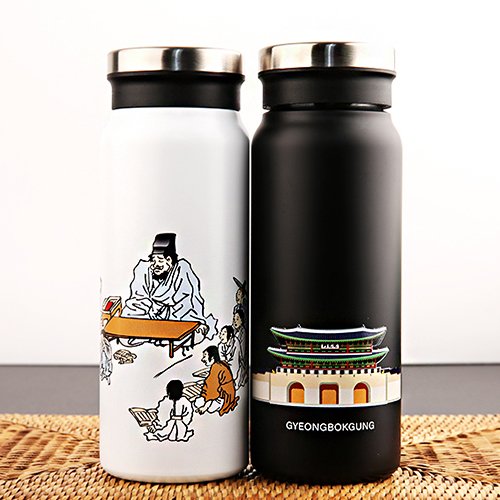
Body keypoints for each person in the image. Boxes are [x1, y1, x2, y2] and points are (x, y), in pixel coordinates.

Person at [122, 233, 217, 340]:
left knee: (191, 336)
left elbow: (186, 304)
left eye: (160, 260)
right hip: (149, 319)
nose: (155, 265)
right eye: (153, 260)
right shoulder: (144, 270)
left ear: (169, 260)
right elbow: (138, 300)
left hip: (175, 320)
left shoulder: (181, 271)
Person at [195, 346, 238, 416]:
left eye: (205, 356)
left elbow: (212, 389)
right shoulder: (220, 364)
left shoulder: (216, 368)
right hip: (227, 394)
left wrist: (205, 407)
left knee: (198, 403)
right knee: (199, 401)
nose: (203, 359)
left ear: (212, 358)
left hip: (224, 398)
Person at [219, 324, 247, 390]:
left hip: (237, 371)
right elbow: (223, 362)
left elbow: (236, 362)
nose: (221, 336)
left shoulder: (236, 342)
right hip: (226, 371)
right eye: (221, 334)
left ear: (230, 335)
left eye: (223, 334)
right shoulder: (220, 346)